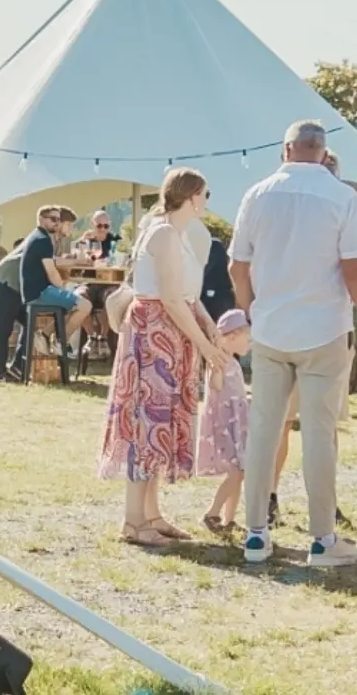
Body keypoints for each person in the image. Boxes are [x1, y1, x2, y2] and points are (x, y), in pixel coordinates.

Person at [230, 120, 357, 568]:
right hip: (323, 329)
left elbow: (238, 266)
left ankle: (256, 533)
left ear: (286, 150)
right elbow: (356, 269)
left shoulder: (257, 194)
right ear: (322, 152)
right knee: (319, 434)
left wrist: (250, 311)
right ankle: (322, 539)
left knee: (263, 430)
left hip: (272, 329)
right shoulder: (343, 196)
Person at [98, 167, 230, 546]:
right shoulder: (164, 232)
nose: (207, 202)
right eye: (205, 194)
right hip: (156, 333)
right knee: (147, 420)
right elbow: (169, 299)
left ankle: (151, 516)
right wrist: (204, 346)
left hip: (171, 331)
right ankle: (133, 521)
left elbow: (186, 295)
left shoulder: (176, 233)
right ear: (192, 196)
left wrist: (208, 327)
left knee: (160, 423)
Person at [12, 206, 91, 380]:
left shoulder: (38, 237)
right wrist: (62, 289)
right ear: (41, 219)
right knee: (85, 305)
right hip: (39, 292)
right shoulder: (43, 240)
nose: (56, 223)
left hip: (35, 292)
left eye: (58, 219)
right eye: (53, 219)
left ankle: (47, 335)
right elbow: (52, 272)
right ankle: (60, 342)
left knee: (72, 305)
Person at [198, 309, 251, 532]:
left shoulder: (233, 362)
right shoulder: (219, 362)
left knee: (240, 472)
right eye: (247, 338)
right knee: (236, 472)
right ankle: (212, 513)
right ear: (232, 336)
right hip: (225, 424)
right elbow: (216, 388)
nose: (250, 344)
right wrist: (216, 367)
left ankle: (229, 519)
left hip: (237, 424)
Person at [0, 239, 27, 377]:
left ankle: (17, 367)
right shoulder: (42, 241)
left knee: (33, 323)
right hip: (5, 283)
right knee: (4, 327)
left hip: (18, 288)